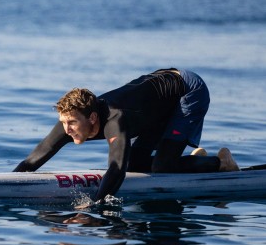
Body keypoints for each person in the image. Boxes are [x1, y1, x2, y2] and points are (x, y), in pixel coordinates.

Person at [13, 68, 239, 204]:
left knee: (162, 167)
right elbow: (33, 160)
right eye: (63, 122)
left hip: (187, 91)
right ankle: (191, 161)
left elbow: (116, 170)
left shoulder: (115, 120)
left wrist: (94, 205)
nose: (67, 129)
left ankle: (220, 162)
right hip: (155, 102)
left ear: (92, 118)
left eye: (71, 123)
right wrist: (9, 183)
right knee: (136, 164)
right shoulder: (71, 118)